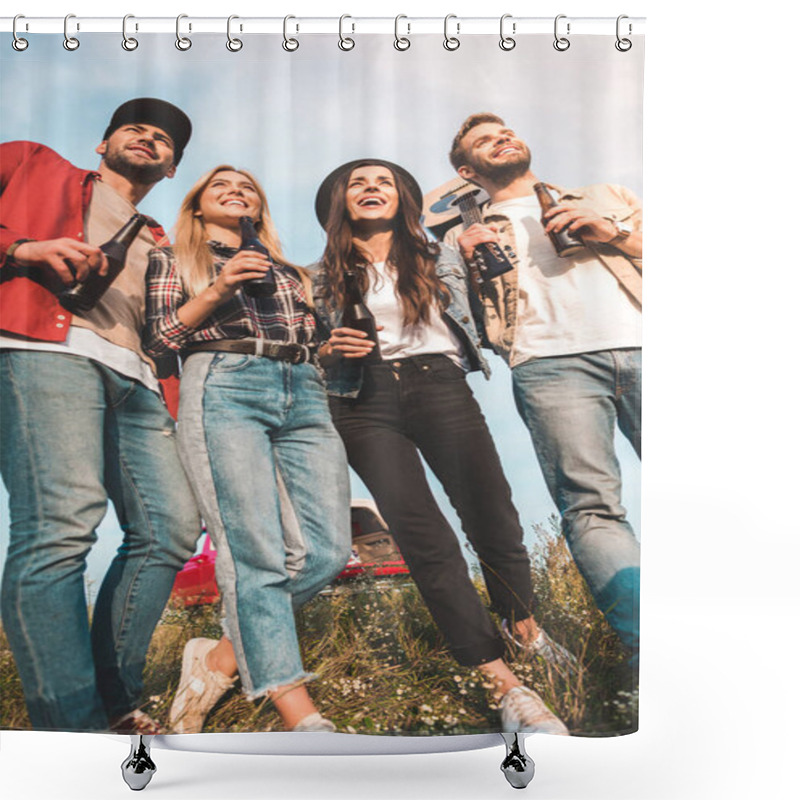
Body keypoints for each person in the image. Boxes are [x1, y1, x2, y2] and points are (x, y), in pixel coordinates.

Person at [312, 158, 571, 735]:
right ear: (339, 204)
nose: (371, 188)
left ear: (404, 199)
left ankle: (523, 630)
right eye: (358, 183)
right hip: (363, 400)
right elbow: (309, 352)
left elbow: (449, 213)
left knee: (494, 518)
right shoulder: (317, 275)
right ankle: (501, 681)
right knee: (425, 537)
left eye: (385, 181)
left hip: (440, 385)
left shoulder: (438, 253)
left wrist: (430, 212)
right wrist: (326, 350)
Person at [0, 98, 200, 732]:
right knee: (61, 523)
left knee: (170, 527)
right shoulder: (31, 163)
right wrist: (24, 248)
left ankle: (115, 699)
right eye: (135, 128)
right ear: (102, 143)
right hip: (43, 351)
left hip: (139, 382)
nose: (149, 138)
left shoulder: (160, 239)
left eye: (164, 139)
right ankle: (73, 728)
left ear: (171, 170)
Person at [144, 166, 351, 734]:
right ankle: (298, 714)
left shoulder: (291, 272)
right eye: (221, 186)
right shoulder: (174, 257)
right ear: (198, 206)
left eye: (247, 187)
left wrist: (333, 347)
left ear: (258, 207)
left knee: (326, 553)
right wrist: (219, 286)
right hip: (224, 383)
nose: (237, 191)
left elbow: (309, 338)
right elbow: (161, 340)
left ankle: (217, 659)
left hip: (303, 389)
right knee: (253, 552)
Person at [444, 113, 642, 665]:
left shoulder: (604, 195)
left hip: (646, 343)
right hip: (550, 366)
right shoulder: (462, 234)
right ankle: (649, 644)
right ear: (467, 169)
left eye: (506, 131)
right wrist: (465, 266)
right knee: (592, 508)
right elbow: (463, 328)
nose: (502, 139)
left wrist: (613, 231)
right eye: (485, 141)